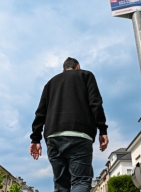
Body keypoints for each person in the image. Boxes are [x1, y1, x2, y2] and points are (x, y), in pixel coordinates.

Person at [29, 57, 109, 192]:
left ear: (63, 70)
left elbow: (40, 113)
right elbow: (96, 103)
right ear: (78, 67)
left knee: (61, 185)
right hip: (80, 134)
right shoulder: (85, 75)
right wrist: (102, 130)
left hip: (53, 137)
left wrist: (35, 139)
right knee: (81, 181)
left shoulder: (50, 83)